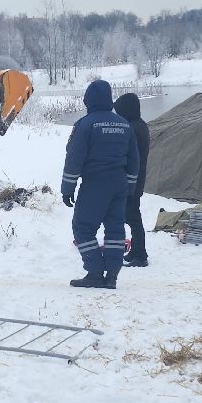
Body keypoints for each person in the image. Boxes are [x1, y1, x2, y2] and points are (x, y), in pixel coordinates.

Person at [62, 79, 138, 290]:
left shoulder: (85, 125)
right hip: (119, 185)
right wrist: (130, 187)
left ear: (88, 100)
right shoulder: (124, 124)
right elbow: (134, 159)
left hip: (95, 185)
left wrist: (67, 188)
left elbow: (74, 158)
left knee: (83, 227)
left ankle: (95, 272)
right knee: (115, 229)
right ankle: (112, 275)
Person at [113, 92, 151, 266]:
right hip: (136, 179)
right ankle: (135, 251)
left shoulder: (133, 129)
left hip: (131, 180)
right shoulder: (139, 125)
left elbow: (126, 155)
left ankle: (140, 255)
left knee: (133, 218)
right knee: (133, 215)